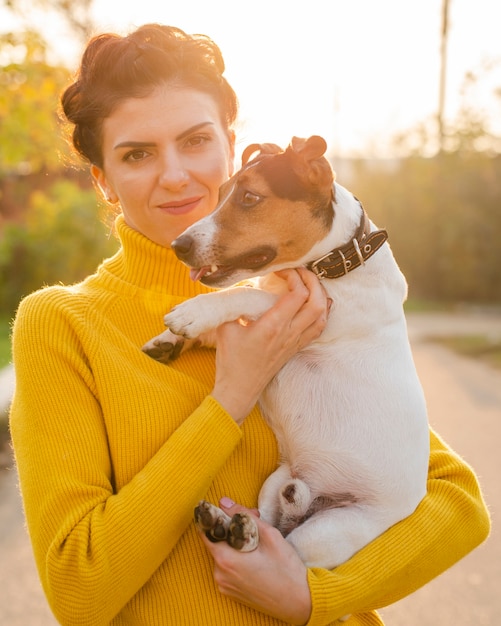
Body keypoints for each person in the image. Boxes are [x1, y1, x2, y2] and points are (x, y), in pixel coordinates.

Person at [9, 23, 490, 626]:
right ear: (102, 179)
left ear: (230, 146)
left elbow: (458, 503)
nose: (177, 174)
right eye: (137, 153)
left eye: (195, 140)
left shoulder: (298, 297)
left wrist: (314, 599)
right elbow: (80, 589)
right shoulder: (63, 324)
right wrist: (230, 397)